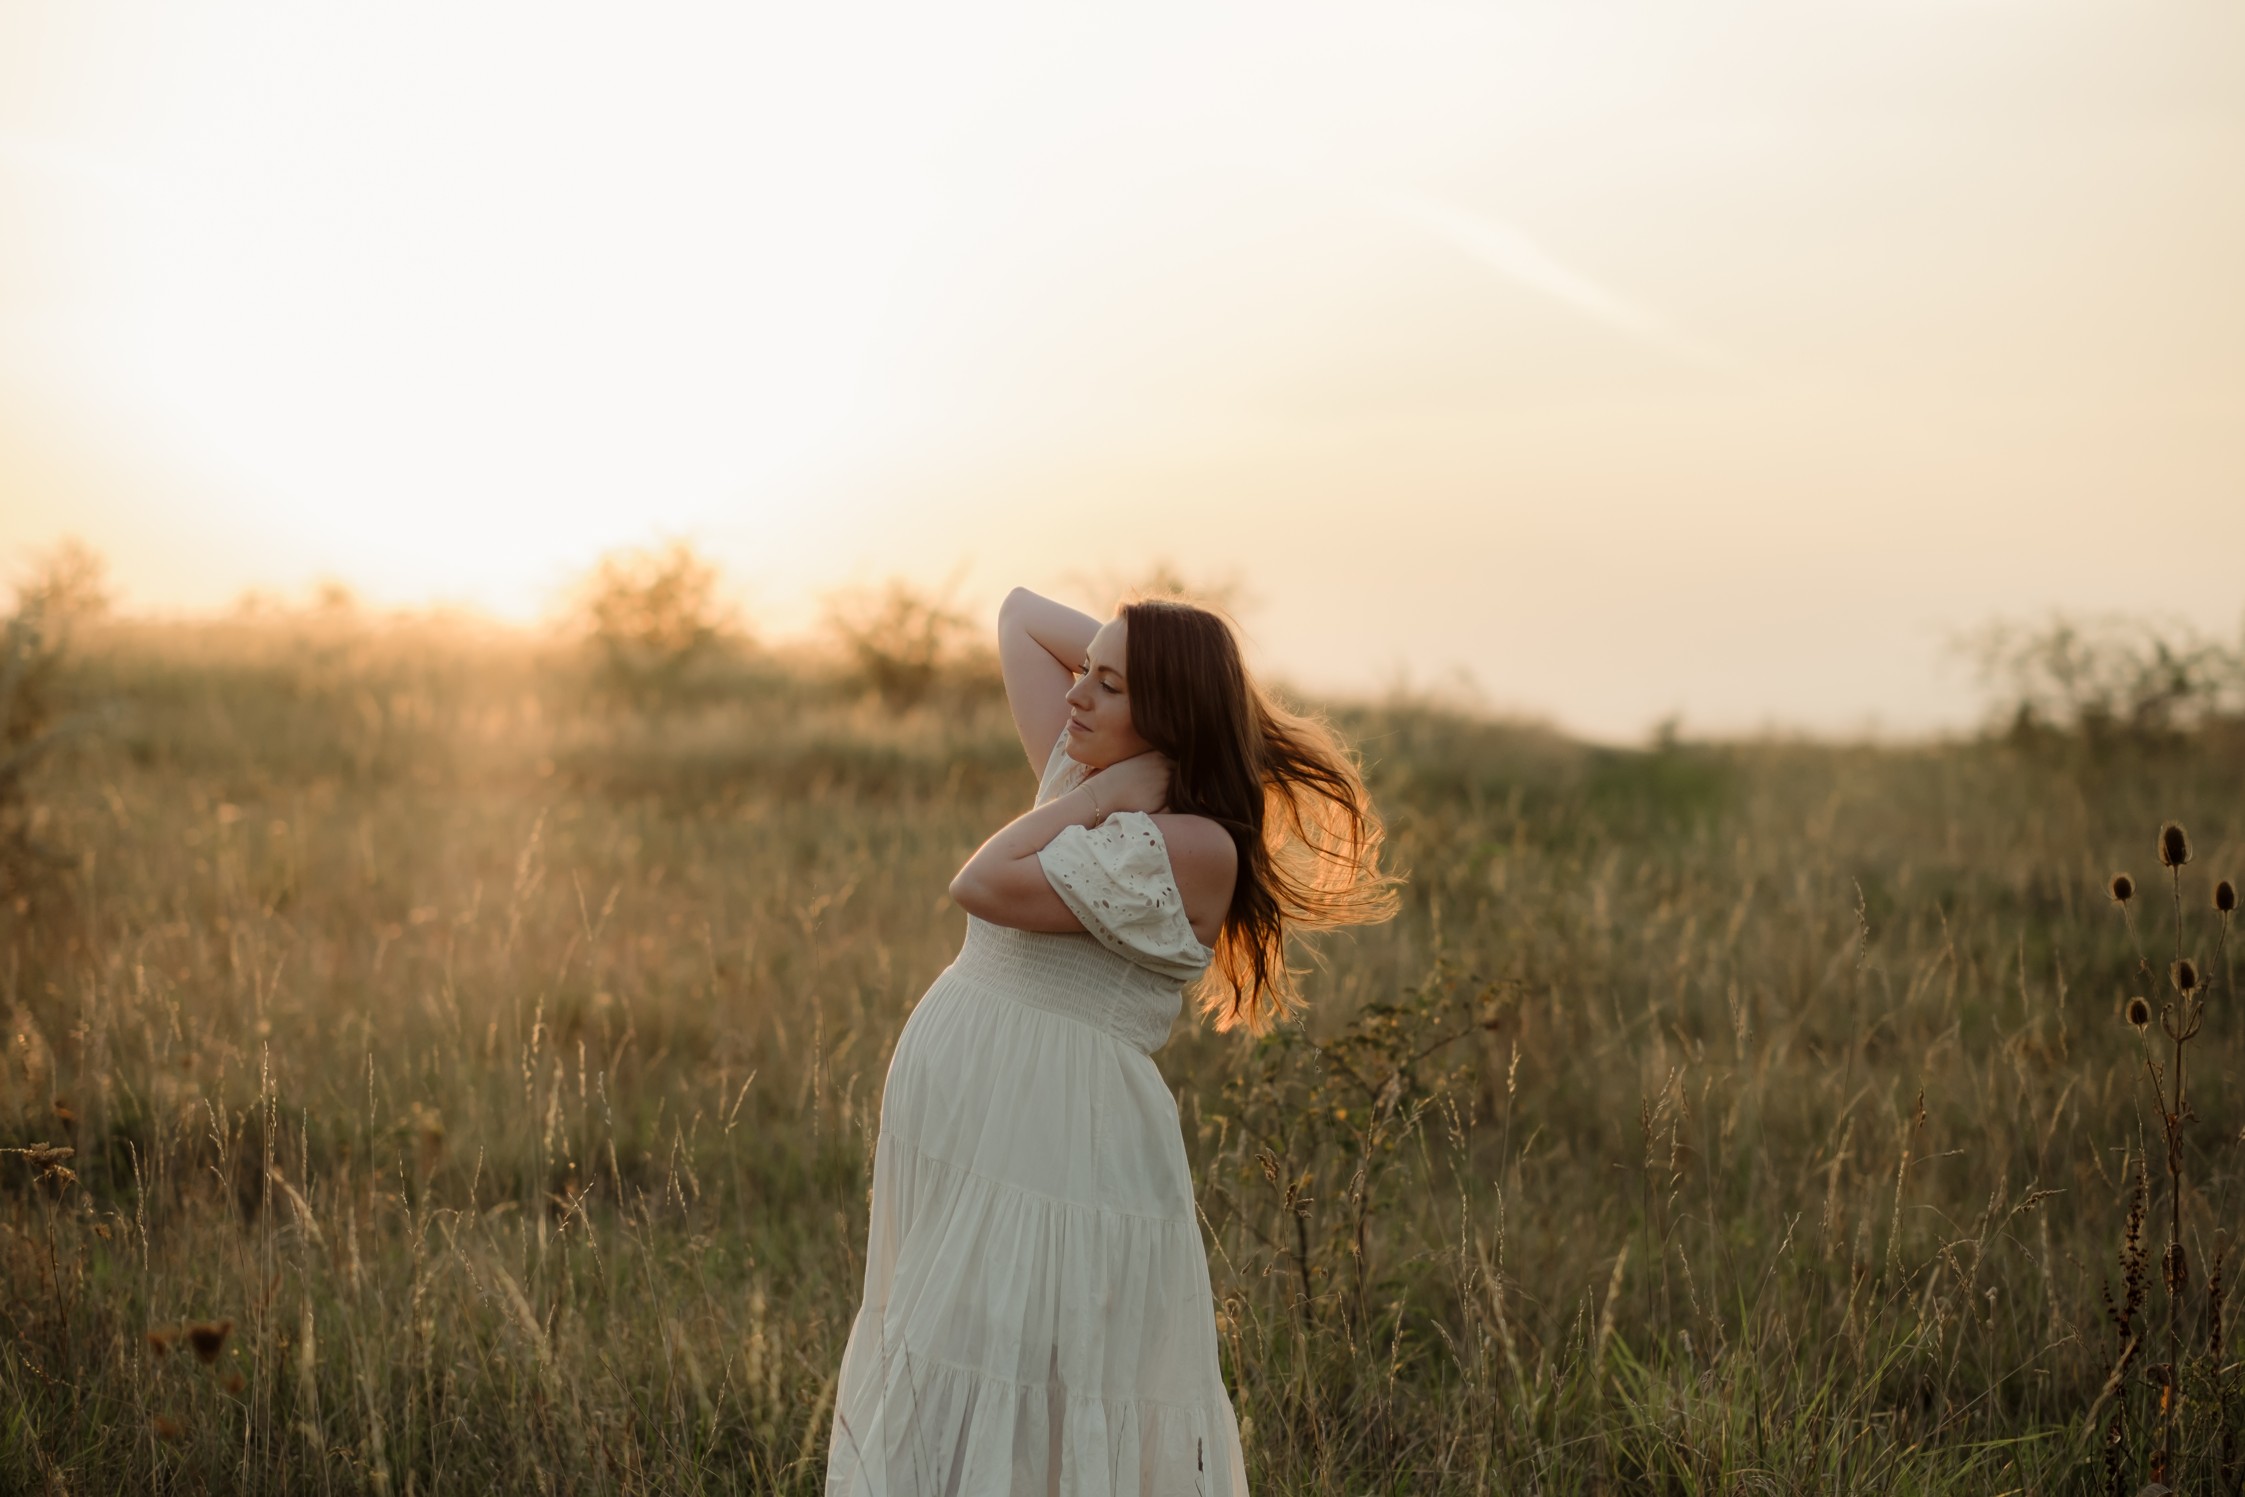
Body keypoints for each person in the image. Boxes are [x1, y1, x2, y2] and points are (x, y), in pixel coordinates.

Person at [825, 586, 1397, 1497]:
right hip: (968, 1091)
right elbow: (1017, 612)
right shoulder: (1081, 776)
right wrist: (1123, 721)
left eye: (1110, 685)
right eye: (1084, 672)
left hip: (1062, 1119)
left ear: (1168, 714)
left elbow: (983, 881)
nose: (1077, 696)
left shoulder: (1192, 844)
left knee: (1047, 1364)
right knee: (943, 1334)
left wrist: (1116, 786)